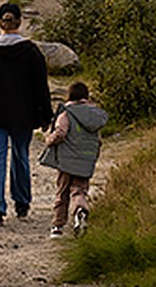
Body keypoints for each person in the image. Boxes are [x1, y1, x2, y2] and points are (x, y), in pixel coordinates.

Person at [0, 1, 53, 227]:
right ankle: (22, 201)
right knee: (20, 155)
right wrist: (46, 115)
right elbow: (40, 88)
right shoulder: (31, 52)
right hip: (23, 115)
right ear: (20, 22)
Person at [41, 80, 108, 238]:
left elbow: (61, 133)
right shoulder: (94, 116)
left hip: (66, 161)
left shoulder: (66, 114)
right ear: (87, 96)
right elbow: (98, 141)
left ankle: (57, 227)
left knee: (62, 193)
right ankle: (80, 210)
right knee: (79, 191)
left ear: (69, 97)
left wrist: (49, 140)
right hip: (85, 161)